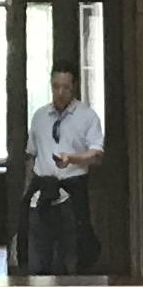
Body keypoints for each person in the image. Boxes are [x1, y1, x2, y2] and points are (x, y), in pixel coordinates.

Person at [25, 65, 105, 274]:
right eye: (56, 87)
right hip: (42, 192)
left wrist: (72, 158)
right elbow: (31, 155)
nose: (60, 93)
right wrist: (27, 192)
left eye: (66, 87)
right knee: (39, 256)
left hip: (72, 191)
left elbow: (97, 155)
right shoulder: (40, 116)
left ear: (74, 87)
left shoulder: (87, 117)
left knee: (72, 254)